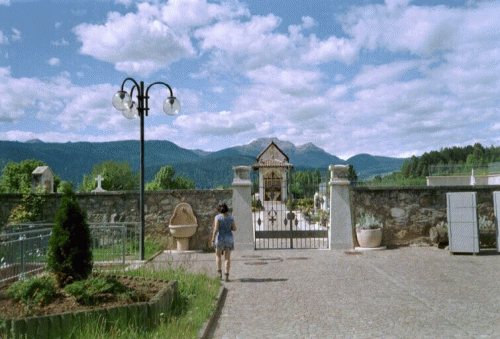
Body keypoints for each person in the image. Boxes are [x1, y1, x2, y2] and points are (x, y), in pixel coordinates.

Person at [211, 203, 236, 282]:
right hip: (229, 238)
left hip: (220, 238)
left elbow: (216, 229)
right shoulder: (231, 218)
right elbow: (234, 228)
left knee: (218, 256)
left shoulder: (217, 218)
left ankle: (219, 274)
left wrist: (212, 240)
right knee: (227, 258)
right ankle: (227, 275)